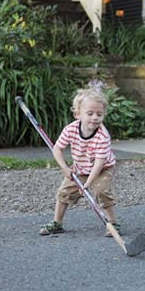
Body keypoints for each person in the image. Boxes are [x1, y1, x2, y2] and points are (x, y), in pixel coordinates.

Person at [39, 85, 119, 236]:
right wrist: (65, 168)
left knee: (101, 191)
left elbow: (99, 163)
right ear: (78, 114)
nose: (95, 117)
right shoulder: (70, 129)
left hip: (102, 169)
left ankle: (113, 223)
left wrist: (87, 185)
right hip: (81, 167)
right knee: (64, 192)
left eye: (99, 114)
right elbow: (57, 149)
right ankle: (57, 223)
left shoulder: (103, 136)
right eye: (90, 113)